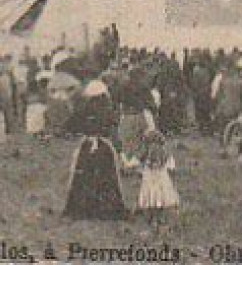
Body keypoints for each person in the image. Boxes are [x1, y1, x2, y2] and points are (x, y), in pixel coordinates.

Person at [64, 80, 126, 220]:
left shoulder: (83, 109)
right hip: (104, 148)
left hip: (87, 147)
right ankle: (106, 208)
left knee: (83, 178)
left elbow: (71, 126)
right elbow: (113, 128)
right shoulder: (107, 110)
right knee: (106, 177)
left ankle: (84, 207)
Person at [127, 127, 179, 227]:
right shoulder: (165, 153)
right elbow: (172, 167)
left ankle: (152, 219)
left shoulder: (145, 153)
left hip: (149, 180)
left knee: (150, 198)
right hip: (162, 180)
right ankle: (160, 218)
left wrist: (127, 163)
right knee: (161, 198)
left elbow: (132, 163)